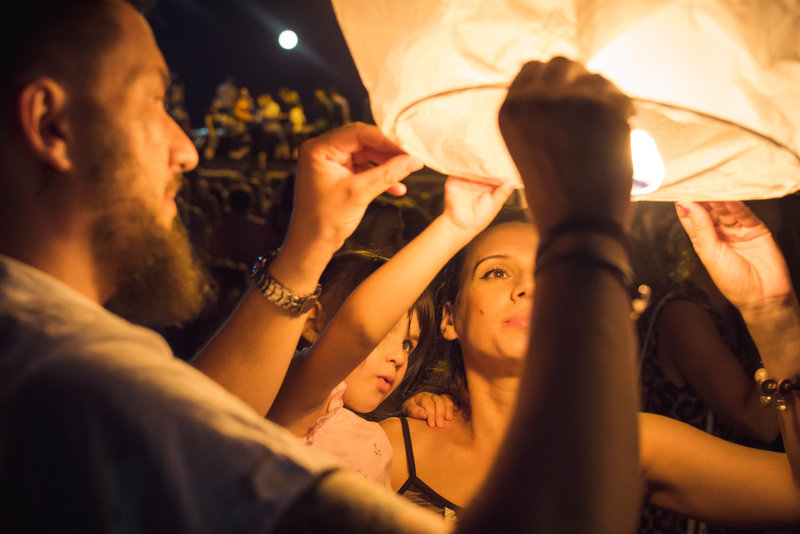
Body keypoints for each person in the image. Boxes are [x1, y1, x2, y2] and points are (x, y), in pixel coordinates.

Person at [263, 174, 513, 486]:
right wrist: (455, 226)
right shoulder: (297, 400)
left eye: (409, 345)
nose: (398, 357)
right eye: (385, 334)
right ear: (314, 322)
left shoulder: (373, 436)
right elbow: (358, 327)